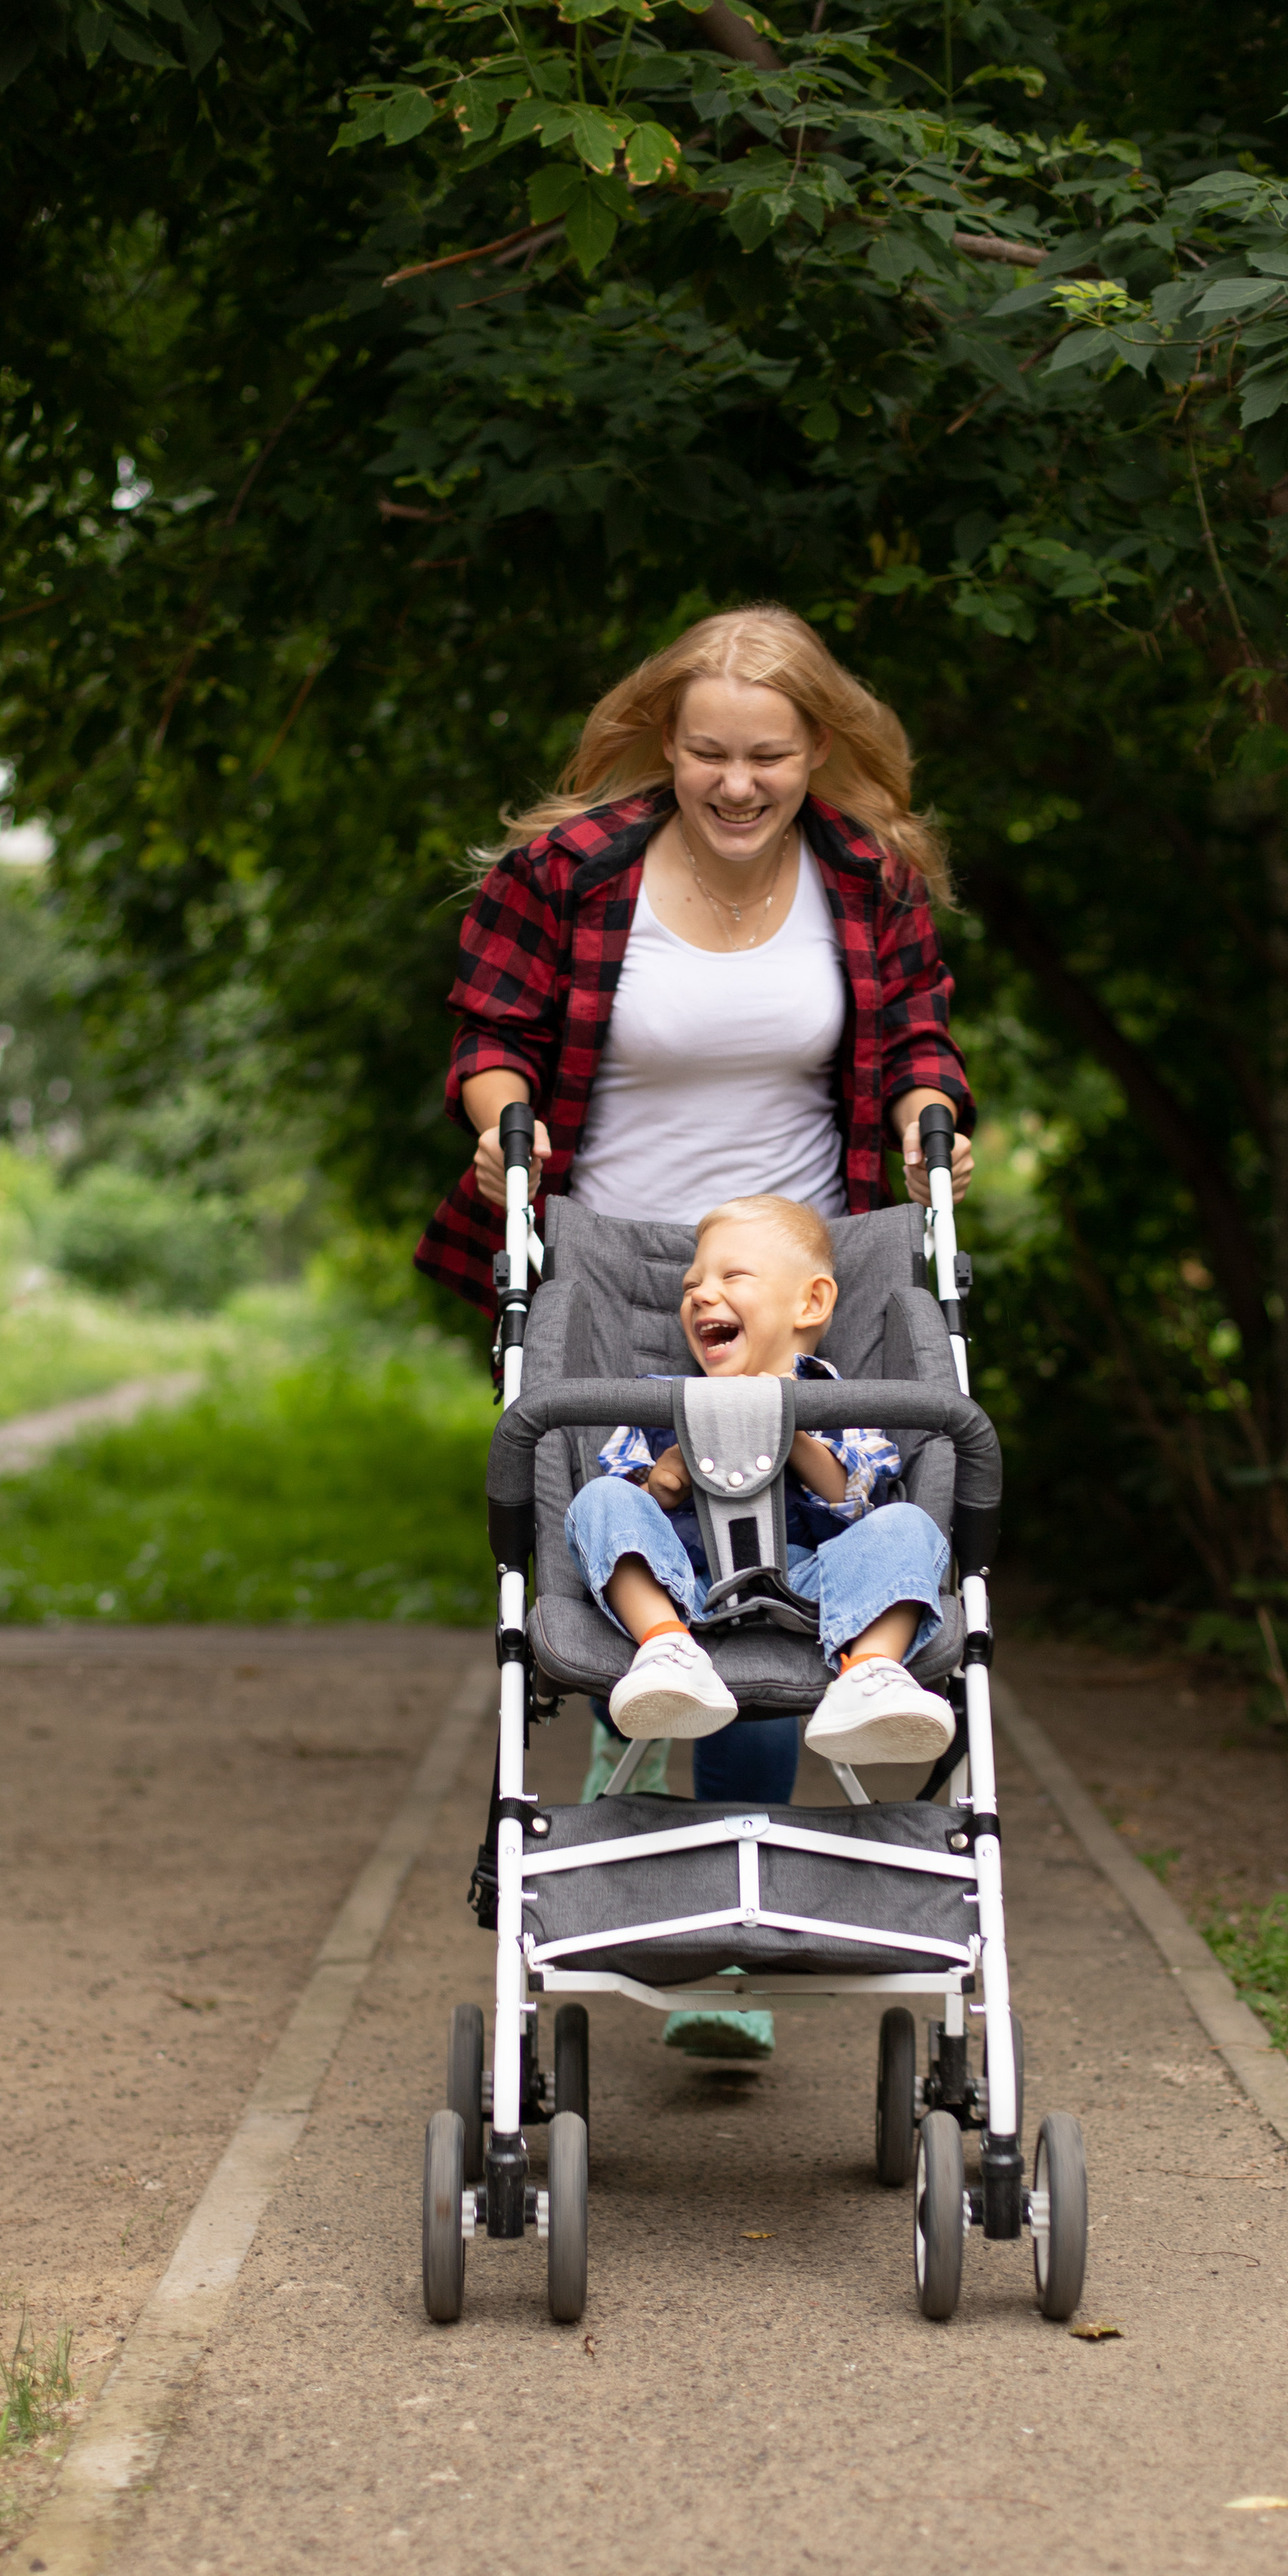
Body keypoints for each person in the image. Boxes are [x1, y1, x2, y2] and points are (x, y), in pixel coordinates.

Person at [419, 600, 974, 1811]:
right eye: (707, 753)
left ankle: (733, 1897)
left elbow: (918, 1036)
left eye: (767, 756)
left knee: (782, 1547)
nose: (736, 784)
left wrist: (932, 1121)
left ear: (817, 748)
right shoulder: (569, 872)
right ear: (664, 743)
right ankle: (638, 1842)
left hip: (788, 1277)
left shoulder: (868, 877)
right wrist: (503, 1139)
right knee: (614, 1528)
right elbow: (493, 1036)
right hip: (617, 1268)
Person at [567, 1196, 957, 1772]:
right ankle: (665, 1647)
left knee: (909, 1525)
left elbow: (857, 1497)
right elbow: (626, 1511)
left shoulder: (840, 1403)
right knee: (599, 1500)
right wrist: (661, 1483)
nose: (699, 1293)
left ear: (812, 1302)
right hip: (687, 1585)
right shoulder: (658, 1402)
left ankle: (871, 1673)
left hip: (815, 1590)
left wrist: (789, 1432)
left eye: (733, 1276)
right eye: (690, 1284)